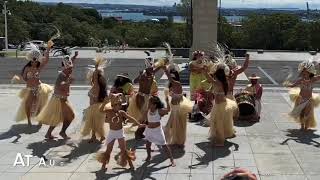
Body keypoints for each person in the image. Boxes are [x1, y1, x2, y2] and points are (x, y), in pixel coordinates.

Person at [36, 51, 79, 140]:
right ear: (65, 68)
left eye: (71, 69)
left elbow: (72, 62)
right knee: (70, 116)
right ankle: (62, 132)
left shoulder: (67, 72)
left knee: (58, 117)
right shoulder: (62, 76)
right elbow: (60, 86)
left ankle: (49, 134)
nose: (71, 70)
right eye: (70, 69)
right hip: (59, 100)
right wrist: (68, 82)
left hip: (62, 99)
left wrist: (74, 56)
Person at [97, 93, 145, 171]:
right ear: (113, 105)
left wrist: (138, 124)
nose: (120, 106)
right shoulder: (109, 111)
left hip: (119, 133)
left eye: (120, 104)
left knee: (124, 150)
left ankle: (130, 164)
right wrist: (104, 103)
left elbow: (130, 118)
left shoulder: (121, 112)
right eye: (118, 104)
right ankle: (103, 165)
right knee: (108, 150)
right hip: (112, 133)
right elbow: (101, 111)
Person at [15, 41, 54, 126]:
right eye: (33, 61)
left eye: (36, 61)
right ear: (30, 60)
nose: (34, 63)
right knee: (28, 104)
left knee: (40, 104)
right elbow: (24, 78)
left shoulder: (39, 68)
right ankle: (29, 120)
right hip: (29, 88)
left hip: (39, 88)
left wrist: (48, 48)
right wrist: (19, 79)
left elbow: (46, 60)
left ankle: (39, 119)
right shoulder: (27, 68)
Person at [204, 62, 238, 147]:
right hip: (221, 104)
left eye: (215, 75)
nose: (214, 76)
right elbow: (212, 81)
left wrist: (204, 71)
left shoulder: (218, 83)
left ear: (218, 76)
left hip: (220, 106)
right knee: (223, 122)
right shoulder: (222, 82)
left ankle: (221, 141)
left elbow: (209, 78)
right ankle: (228, 133)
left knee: (218, 123)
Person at [285, 60, 320, 131]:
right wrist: (288, 84)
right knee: (301, 113)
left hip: (309, 100)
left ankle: (306, 127)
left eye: (305, 72)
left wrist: (319, 66)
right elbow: (293, 85)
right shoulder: (301, 80)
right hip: (301, 99)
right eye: (303, 71)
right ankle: (302, 125)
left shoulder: (313, 79)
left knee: (307, 114)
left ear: (309, 72)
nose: (303, 73)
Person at [163, 66, 193, 147]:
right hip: (174, 109)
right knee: (172, 127)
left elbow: (170, 79)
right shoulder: (172, 86)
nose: (171, 79)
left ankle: (178, 141)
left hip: (178, 109)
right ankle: (175, 141)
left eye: (172, 76)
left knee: (174, 126)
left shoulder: (177, 84)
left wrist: (166, 70)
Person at [142, 95, 175, 166]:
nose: (148, 105)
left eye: (150, 103)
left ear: (155, 105)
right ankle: (149, 156)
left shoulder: (159, 111)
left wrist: (167, 101)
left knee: (164, 145)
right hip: (149, 130)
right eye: (148, 103)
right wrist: (142, 123)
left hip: (158, 131)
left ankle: (171, 159)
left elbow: (168, 110)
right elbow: (144, 118)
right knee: (148, 145)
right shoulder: (147, 111)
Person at [81, 55, 108, 143]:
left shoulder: (96, 86)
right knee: (96, 124)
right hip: (97, 107)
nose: (91, 78)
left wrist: (96, 69)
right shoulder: (97, 87)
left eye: (93, 76)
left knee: (94, 124)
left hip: (95, 107)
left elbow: (95, 77)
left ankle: (96, 137)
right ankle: (99, 136)